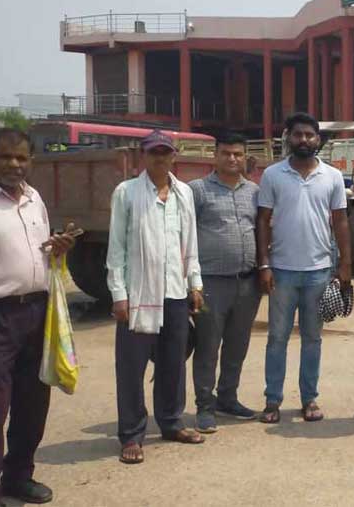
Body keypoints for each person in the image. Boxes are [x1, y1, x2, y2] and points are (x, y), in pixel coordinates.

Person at [0, 129, 76, 506]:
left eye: (22, 158)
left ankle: (18, 477)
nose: (14, 164)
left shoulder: (33, 198)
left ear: (32, 161)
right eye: (5, 157)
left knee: (33, 404)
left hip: (36, 312)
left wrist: (57, 249)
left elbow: (40, 254)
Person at [107, 130, 206, 465]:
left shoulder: (183, 193)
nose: (160, 158)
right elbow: (116, 248)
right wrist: (118, 294)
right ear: (143, 156)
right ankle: (131, 434)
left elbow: (189, 243)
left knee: (173, 363)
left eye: (165, 152)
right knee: (131, 367)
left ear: (173, 156)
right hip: (139, 292)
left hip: (175, 291)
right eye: (154, 152)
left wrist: (195, 284)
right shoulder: (127, 192)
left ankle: (171, 422)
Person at [256, 113, 351, 424]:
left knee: (313, 339)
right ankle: (272, 400)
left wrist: (345, 265)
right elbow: (263, 221)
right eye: (298, 134)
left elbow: (340, 221)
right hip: (281, 270)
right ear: (288, 137)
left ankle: (309, 399)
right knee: (277, 339)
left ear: (318, 140)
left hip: (319, 271)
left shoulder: (332, 176)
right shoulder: (273, 175)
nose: (304, 140)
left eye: (310, 135)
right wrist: (264, 264)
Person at [189, 134, 262, 433]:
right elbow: (185, 235)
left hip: (247, 283)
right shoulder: (198, 190)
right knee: (208, 346)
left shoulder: (254, 192)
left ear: (245, 157)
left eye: (238, 154)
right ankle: (204, 407)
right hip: (210, 283)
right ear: (215, 156)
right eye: (226, 153)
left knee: (237, 344)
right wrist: (191, 282)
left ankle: (228, 399)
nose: (232, 159)